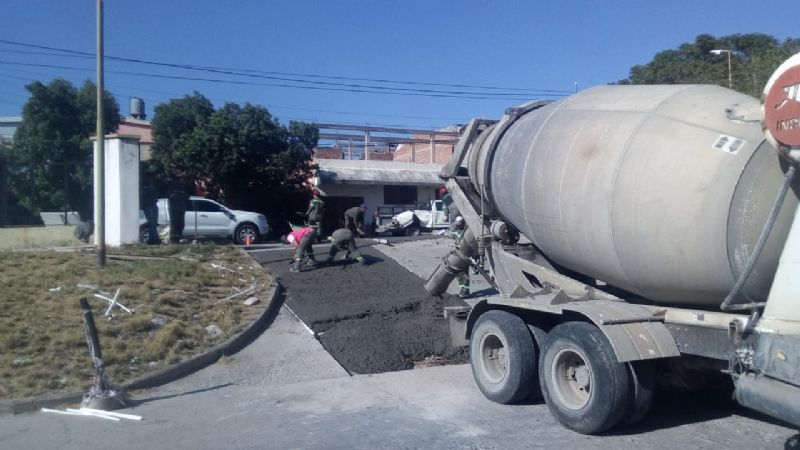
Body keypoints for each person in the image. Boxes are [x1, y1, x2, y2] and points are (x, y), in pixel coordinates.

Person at [451, 216, 471, 298]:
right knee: (458, 273)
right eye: (457, 224)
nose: (458, 226)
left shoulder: (466, 232)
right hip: (457, 254)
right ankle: (462, 289)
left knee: (464, 273)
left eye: (459, 224)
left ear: (463, 224)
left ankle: (466, 291)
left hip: (465, 255)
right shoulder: (456, 230)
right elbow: (453, 237)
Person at [140, 164, 160, 245]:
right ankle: (153, 239)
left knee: (154, 223)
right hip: (148, 205)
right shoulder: (144, 186)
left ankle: (154, 238)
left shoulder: (152, 185)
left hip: (153, 204)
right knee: (152, 223)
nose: (152, 179)